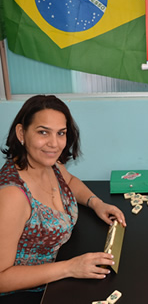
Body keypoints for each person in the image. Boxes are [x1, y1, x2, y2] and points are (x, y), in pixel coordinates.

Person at [0, 95, 126, 300]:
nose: (54, 144)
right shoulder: (11, 196)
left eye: (61, 133)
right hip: (31, 294)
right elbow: (1, 278)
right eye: (43, 132)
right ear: (21, 133)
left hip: (61, 270)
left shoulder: (50, 163)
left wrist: (96, 203)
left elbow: (69, 181)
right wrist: (70, 268)